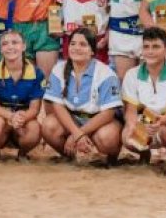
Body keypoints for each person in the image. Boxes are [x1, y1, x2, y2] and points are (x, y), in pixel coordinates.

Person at [41, 27, 123, 164]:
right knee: (49, 125)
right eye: (73, 44)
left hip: (99, 121)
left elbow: (108, 114)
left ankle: (111, 160)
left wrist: (78, 134)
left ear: (92, 51)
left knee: (107, 137)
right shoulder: (59, 69)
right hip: (72, 119)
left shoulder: (106, 73)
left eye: (83, 44)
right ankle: (69, 157)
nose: (76, 48)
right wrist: (76, 132)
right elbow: (57, 106)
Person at [121, 27, 166, 176]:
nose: (150, 51)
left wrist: (161, 121)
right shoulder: (132, 74)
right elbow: (131, 110)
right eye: (146, 47)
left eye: (156, 46)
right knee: (126, 136)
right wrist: (133, 126)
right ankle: (144, 154)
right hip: (146, 119)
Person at [0, 29, 45, 162]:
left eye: (15, 42)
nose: (10, 47)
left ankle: (22, 154)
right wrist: (11, 117)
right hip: (1, 117)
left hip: (23, 119)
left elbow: (35, 109)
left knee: (35, 129)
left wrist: (21, 119)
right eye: (5, 44)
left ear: (24, 46)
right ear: (0, 49)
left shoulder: (37, 73)